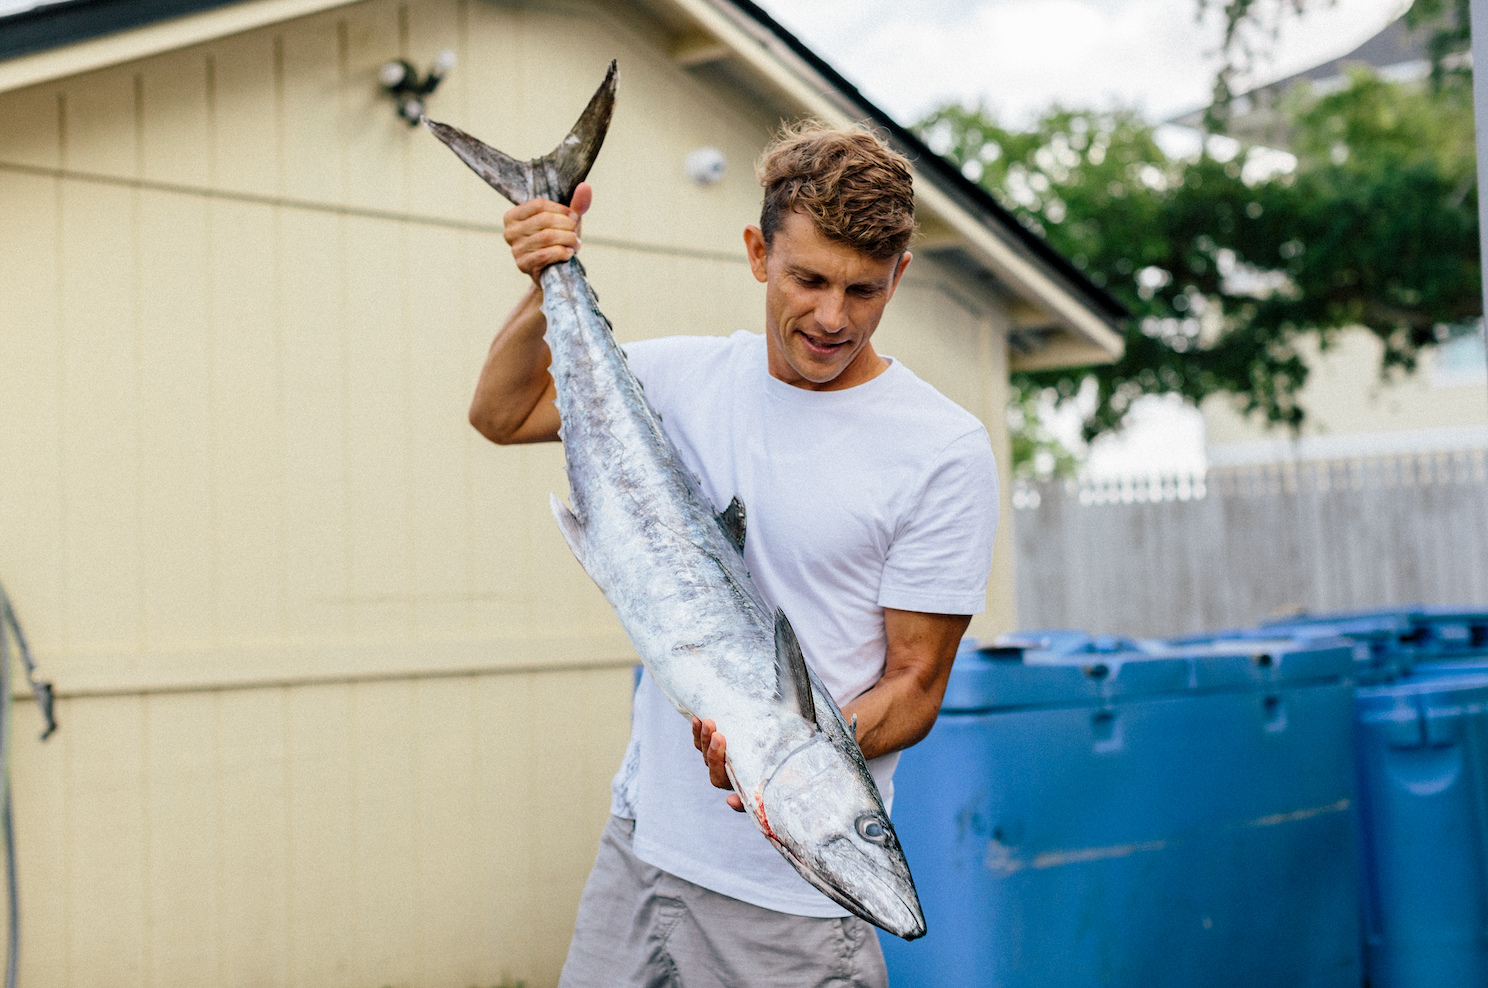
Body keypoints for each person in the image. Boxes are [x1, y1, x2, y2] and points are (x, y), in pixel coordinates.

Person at [471, 121, 998, 988]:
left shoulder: (941, 449)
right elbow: (502, 415)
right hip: (642, 852)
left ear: (899, 276)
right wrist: (543, 280)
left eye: (864, 291)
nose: (833, 317)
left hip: (792, 909)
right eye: (809, 279)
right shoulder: (680, 380)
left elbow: (915, 685)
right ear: (758, 254)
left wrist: (781, 752)